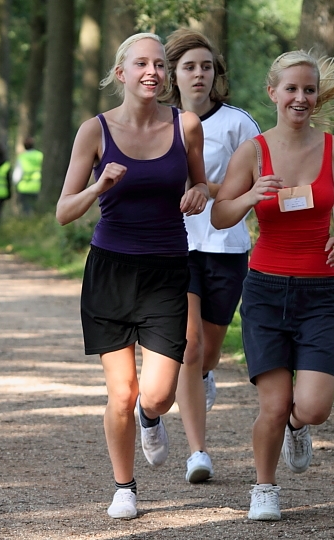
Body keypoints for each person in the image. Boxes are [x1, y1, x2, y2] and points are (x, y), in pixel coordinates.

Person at [211, 51, 334, 521]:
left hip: (318, 292)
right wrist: (248, 196)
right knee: (274, 404)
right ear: (273, 93)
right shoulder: (253, 152)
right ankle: (264, 487)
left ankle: (300, 427)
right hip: (264, 288)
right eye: (292, 89)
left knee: (313, 407)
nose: (300, 97)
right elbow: (219, 215)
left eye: (308, 89)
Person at [55, 33, 209, 520]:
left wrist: (201, 192)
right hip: (111, 271)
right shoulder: (94, 131)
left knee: (158, 395)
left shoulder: (185, 126)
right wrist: (99, 184)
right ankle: (125, 486)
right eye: (141, 63)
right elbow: (64, 210)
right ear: (121, 73)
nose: (152, 71)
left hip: (167, 270)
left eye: (160, 64)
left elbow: (201, 182)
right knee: (121, 391)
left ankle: (149, 417)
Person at [162, 28, 261, 485]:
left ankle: (200, 381)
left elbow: (260, 186)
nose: (199, 74)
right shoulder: (156, 122)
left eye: (206, 66)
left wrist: (206, 187)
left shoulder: (238, 123)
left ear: (215, 73)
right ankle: (197, 453)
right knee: (191, 345)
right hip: (173, 245)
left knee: (210, 353)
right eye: (189, 67)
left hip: (226, 247)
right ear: (173, 75)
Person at [12, 137, 43, 215]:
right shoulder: (39, 155)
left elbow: (18, 173)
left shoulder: (22, 157)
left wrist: (15, 183)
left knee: (26, 209)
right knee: (34, 207)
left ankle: (27, 222)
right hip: (36, 186)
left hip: (24, 187)